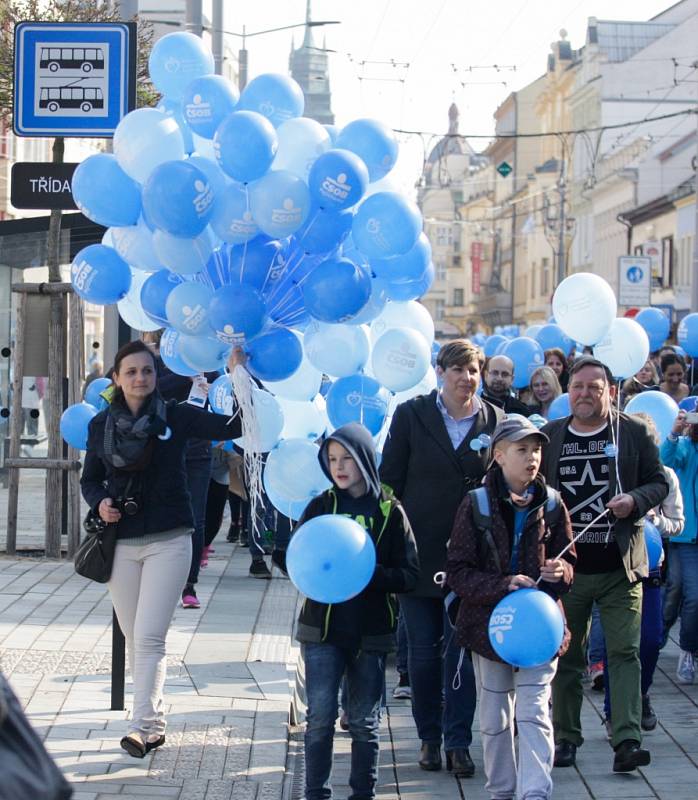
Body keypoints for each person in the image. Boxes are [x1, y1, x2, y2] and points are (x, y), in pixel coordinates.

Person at [80, 340, 244, 758]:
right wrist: (100, 502)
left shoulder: (176, 416)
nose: (140, 378)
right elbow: (90, 479)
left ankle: (141, 728)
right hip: (120, 544)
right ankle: (154, 720)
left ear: (156, 377)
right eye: (131, 371)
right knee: (136, 638)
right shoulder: (101, 425)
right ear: (116, 379)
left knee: (150, 637)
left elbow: (233, 427)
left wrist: (237, 374)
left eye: (147, 371)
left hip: (169, 539)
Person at [380, 339, 503, 776]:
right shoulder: (412, 415)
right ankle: (428, 738)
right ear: (440, 372)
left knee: (462, 651)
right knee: (423, 653)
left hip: (472, 556)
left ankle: (458, 741)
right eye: (458, 370)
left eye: (473, 371)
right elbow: (388, 481)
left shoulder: (495, 420)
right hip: (420, 549)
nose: (466, 379)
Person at [540, 356, 669, 772]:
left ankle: (627, 740)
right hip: (568, 570)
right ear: (568, 390)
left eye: (593, 388)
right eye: (577, 387)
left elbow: (658, 482)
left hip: (620, 567)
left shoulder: (630, 433)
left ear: (610, 393)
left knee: (624, 652)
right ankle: (565, 738)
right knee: (567, 657)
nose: (583, 395)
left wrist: (635, 500)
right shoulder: (551, 436)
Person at [446, 415, 575, 800]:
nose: (532, 457)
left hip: (540, 628)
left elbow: (570, 562)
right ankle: (501, 791)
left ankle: (535, 793)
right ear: (499, 455)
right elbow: (458, 571)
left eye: (536, 449)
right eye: (522, 449)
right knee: (495, 718)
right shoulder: (475, 504)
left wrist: (559, 570)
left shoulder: (552, 503)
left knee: (534, 712)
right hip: (491, 628)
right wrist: (503, 585)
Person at [289, 423, 419, 800]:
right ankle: (316, 792)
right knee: (318, 720)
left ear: (365, 458)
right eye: (331, 459)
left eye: (347, 457)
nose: (339, 467)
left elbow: (410, 574)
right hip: (322, 631)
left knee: (364, 722)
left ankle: (363, 793)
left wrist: (366, 573)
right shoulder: (320, 506)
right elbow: (300, 560)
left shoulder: (390, 511)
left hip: (370, 631)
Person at [598, 412, 684, 733]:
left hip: (649, 569)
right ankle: (613, 712)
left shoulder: (666, 476)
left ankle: (641, 692)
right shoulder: (612, 472)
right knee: (617, 644)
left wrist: (651, 521)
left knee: (649, 640)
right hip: (614, 567)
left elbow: (677, 523)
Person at [660, 409, 698, 684]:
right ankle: (686, 650)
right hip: (688, 539)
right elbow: (665, 461)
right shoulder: (686, 447)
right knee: (690, 596)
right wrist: (674, 433)